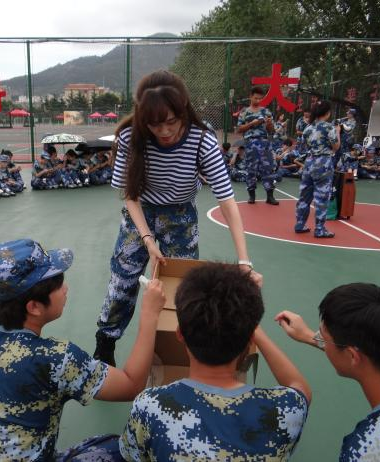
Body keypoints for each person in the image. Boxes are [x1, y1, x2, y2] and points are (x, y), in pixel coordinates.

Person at [0, 239, 166, 460]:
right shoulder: (55, 358)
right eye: (58, 285)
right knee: (120, 448)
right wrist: (149, 314)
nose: (65, 289)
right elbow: (131, 385)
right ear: (34, 307)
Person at [93, 70, 261, 366]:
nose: (164, 131)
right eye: (155, 124)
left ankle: (176, 342)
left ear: (183, 110)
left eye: (171, 121)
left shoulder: (202, 140)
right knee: (123, 279)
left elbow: (227, 201)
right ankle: (106, 341)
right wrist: (147, 239)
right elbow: (130, 196)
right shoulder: (131, 137)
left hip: (181, 215)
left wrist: (244, 261)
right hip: (140, 212)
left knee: (181, 283)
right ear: (143, 117)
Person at [119, 262, 311, 461]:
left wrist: (149, 314)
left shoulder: (150, 406)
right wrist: (252, 328)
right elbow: (300, 387)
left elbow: (131, 456)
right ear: (250, 341)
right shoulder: (284, 411)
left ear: (180, 334)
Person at [275, 283, 380, 461]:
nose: (320, 338)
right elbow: (366, 357)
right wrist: (310, 336)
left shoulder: (367, 449)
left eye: (323, 336)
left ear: (352, 355)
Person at [294, 100, 341, 238]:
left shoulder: (308, 128)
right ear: (327, 113)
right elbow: (336, 147)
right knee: (321, 197)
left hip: (309, 162)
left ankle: (300, 224)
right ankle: (320, 229)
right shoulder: (329, 127)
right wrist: (338, 132)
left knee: (304, 196)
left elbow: (304, 146)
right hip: (323, 163)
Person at [237, 86, 279, 205]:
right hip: (251, 143)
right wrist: (252, 123)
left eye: (260, 98)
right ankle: (252, 195)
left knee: (268, 169)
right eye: (256, 98)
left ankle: (270, 196)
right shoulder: (244, 112)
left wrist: (269, 124)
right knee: (251, 170)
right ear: (250, 97)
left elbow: (271, 131)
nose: (258, 100)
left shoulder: (266, 111)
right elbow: (239, 129)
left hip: (264, 143)